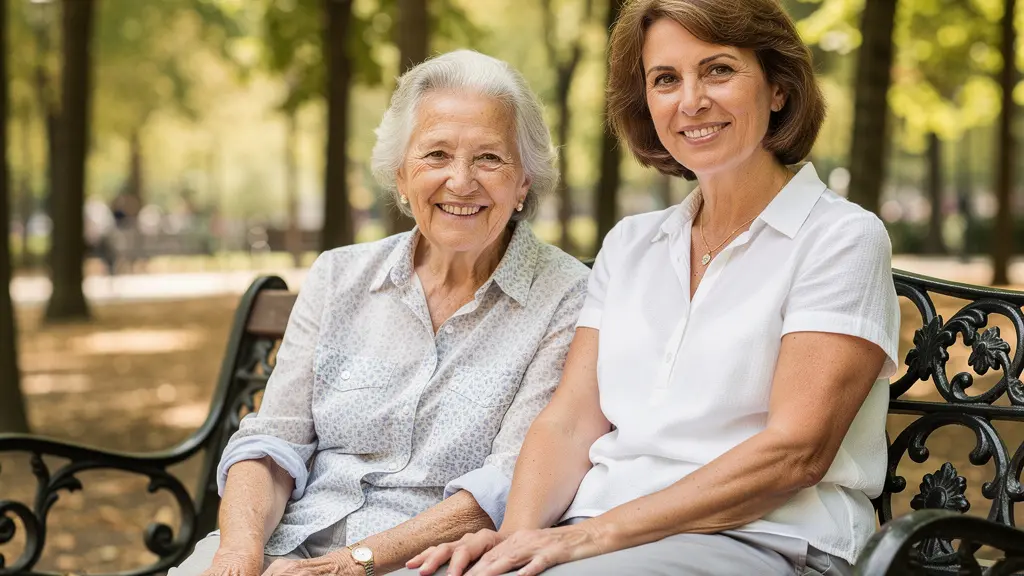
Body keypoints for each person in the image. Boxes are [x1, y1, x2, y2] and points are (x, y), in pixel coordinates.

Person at [402, 1, 900, 575]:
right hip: (603, 537)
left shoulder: (841, 238)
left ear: (778, 87)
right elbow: (570, 421)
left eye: (718, 70)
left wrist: (589, 538)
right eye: (666, 79)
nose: (691, 101)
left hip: (766, 539)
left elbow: (794, 455)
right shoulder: (631, 244)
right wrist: (514, 540)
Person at [170, 49, 590, 576]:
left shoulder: (568, 297)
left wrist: (353, 563)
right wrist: (238, 553)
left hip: (432, 561)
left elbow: (511, 481)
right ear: (400, 176)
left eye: (489, 158)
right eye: (436, 154)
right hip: (288, 540)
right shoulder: (337, 276)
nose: (461, 181)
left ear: (524, 181)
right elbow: (272, 441)